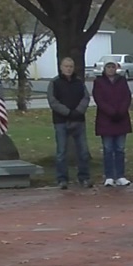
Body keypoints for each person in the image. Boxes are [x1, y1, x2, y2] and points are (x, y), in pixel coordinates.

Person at [48, 56, 92, 188]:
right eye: (66, 66)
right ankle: (62, 179)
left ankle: (84, 177)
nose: (68, 69)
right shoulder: (54, 83)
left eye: (71, 66)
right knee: (61, 152)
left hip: (79, 121)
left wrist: (78, 111)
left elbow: (86, 97)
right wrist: (67, 112)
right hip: (61, 122)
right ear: (61, 67)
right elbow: (52, 101)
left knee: (83, 151)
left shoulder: (79, 82)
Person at [93, 58, 133, 186]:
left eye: (113, 67)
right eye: (108, 67)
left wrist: (121, 111)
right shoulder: (99, 82)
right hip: (106, 120)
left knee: (120, 149)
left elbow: (127, 96)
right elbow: (98, 98)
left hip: (121, 119)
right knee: (108, 149)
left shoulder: (122, 81)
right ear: (104, 69)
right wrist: (110, 111)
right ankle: (109, 176)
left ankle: (120, 175)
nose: (111, 69)